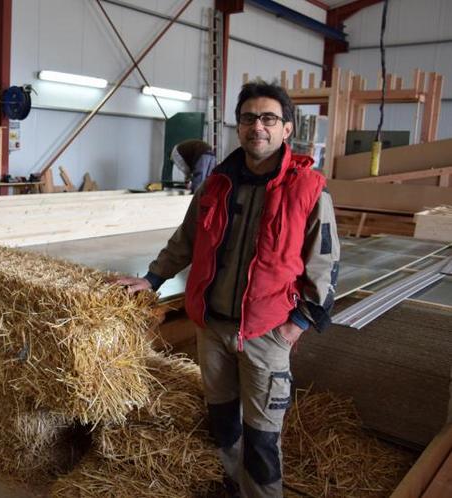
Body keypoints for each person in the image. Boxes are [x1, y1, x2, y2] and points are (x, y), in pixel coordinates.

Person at [117, 81, 340, 498]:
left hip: (266, 334)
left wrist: (295, 326)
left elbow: (324, 265)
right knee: (222, 422)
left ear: (286, 129)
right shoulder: (216, 183)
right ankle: (233, 487)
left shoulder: (308, 189)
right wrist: (151, 279)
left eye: (269, 118)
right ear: (239, 127)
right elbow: (186, 240)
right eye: (249, 118)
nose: (258, 126)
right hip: (214, 329)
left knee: (262, 439)